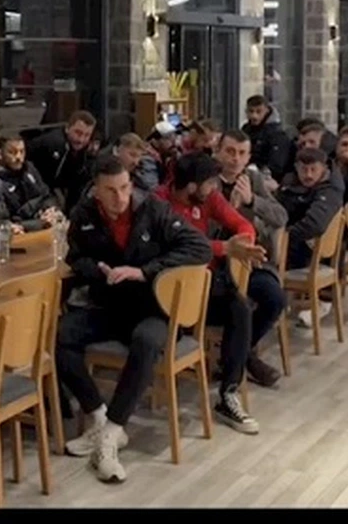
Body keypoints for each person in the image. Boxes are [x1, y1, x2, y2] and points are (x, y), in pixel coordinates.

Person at [55, 155, 214, 483]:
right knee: (58, 336)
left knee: (145, 341)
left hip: (152, 308)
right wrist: (96, 270)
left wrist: (144, 271)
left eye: (125, 187)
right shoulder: (84, 214)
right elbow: (76, 257)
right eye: (111, 190)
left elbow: (200, 248)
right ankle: (100, 418)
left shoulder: (154, 209)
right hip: (108, 305)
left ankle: (112, 433)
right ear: (96, 191)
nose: (121, 197)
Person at [152, 154, 270, 433]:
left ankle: (228, 394)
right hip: (169, 292)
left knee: (240, 307)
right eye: (209, 183)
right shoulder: (158, 202)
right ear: (192, 186)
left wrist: (245, 244)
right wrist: (224, 248)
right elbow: (182, 247)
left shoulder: (209, 198)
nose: (214, 187)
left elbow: (242, 224)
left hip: (205, 285)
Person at [214, 130, 289, 387]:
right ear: (218, 152)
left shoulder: (253, 179)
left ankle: (239, 354)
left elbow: (280, 216)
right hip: (217, 262)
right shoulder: (207, 179)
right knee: (238, 306)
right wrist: (230, 209)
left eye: (241, 153)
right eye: (230, 151)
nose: (235, 158)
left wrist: (252, 200)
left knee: (275, 298)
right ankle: (244, 359)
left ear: (248, 157)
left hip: (250, 261)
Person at [278, 148, 342, 329]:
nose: (308, 175)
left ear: (324, 168)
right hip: (297, 245)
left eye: (313, 169)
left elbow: (315, 224)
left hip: (306, 252)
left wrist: (284, 236)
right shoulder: (290, 183)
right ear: (296, 168)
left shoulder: (330, 189)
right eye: (303, 169)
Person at [27, 110, 99, 214]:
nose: (81, 140)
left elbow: (79, 182)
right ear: (67, 128)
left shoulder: (87, 152)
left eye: (87, 135)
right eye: (78, 133)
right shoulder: (52, 143)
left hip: (61, 188)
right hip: (38, 188)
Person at [0, 133, 61, 230]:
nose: (18, 157)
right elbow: (5, 219)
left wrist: (50, 209)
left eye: (22, 151)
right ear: (0, 154)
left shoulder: (29, 169)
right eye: (12, 152)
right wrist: (40, 222)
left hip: (42, 221)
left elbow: (46, 195)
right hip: (19, 229)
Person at [242, 95, 292, 176]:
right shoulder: (246, 129)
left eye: (259, 111)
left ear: (267, 110)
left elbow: (276, 164)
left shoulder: (276, 134)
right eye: (251, 111)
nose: (254, 116)